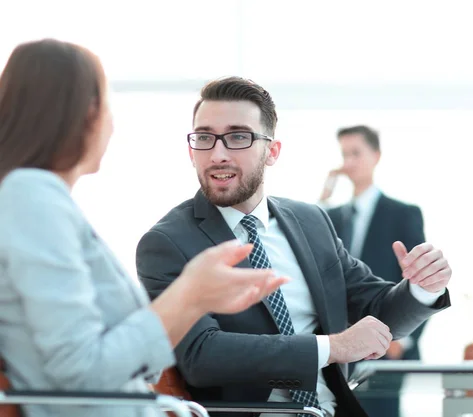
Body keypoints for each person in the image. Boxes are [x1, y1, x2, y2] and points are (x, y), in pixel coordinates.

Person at [0, 39, 287, 417]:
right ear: (83, 113)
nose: (112, 124)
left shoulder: (42, 200)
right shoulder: (32, 197)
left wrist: (194, 299)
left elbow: (130, 362)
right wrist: (188, 295)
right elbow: (80, 372)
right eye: (108, 105)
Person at [136, 76, 452, 417]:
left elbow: (375, 310)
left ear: (271, 152)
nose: (218, 154)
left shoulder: (310, 221)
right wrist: (332, 348)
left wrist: (421, 288)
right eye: (204, 138)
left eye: (238, 137)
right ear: (190, 150)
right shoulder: (167, 243)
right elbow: (202, 356)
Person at [319, 125, 427, 417]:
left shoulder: (403, 213)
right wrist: (324, 197)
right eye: (344, 154)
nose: (349, 162)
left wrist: (400, 340)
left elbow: (418, 279)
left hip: (386, 348)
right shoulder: (329, 217)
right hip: (341, 346)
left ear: (376, 156)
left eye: (356, 153)